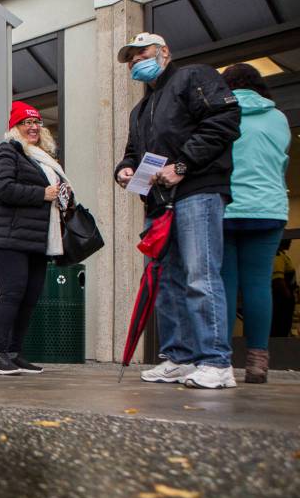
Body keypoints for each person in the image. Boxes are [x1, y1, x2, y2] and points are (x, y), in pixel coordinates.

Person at [115, 32, 242, 389]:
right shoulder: (140, 110)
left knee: (200, 275)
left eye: (142, 53)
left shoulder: (194, 77)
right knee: (167, 283)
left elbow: (224, 121)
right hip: (159, 202)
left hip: (197, 191)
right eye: (131, 58)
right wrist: (123, 170)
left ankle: (216, 361)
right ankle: (179, 358)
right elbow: (131, 152)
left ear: (165, 52)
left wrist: (183, 165)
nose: (136, 61)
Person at [0, 101, 72, 375]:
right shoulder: (7, 151)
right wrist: (42, 194)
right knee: (12, 293)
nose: (32, 127)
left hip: (36, 238)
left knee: (29, 297)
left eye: (36, 122)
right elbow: (2, 188)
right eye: (25, 123)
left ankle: (14, 353)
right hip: (7, 236)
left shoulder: (41, 158)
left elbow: (54, 192)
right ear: (15, 128)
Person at [218, 63, 291, 384]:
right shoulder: (279, 118)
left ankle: (219, 360)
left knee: (226, 286)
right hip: (269, 210)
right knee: (259, 285)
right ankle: (258, 361)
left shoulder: (220, 115)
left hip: (227, 208)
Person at [271, 240, 296, 338]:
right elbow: (278, 280)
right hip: (281, 299)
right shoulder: (278, 256)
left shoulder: (282, 255)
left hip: (283, 297)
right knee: (280, 326)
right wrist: (288, 296)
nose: (290, 242)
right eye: (288, 240)